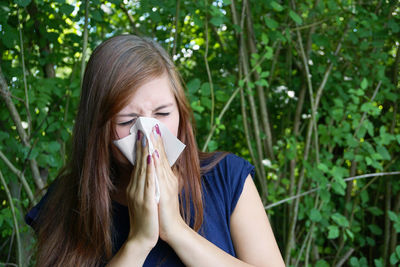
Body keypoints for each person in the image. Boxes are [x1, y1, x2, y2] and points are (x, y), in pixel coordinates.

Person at [25, 34, 285, 266]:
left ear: (181, 112)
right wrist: (138, 242)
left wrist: (176, 230)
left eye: (162, 113)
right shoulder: (67, 199)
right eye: (127, 121)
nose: (150, 134)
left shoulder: (226, 178)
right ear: (97, 128)